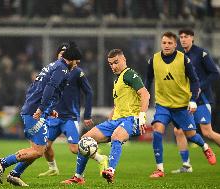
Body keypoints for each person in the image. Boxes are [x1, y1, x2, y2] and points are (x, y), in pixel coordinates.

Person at [0, 42, 82, 186]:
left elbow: (35, 88)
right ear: (70, 59)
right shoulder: (62, 69)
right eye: (76, 62)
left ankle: (15, 174)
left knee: (38, 148)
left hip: (33, 109)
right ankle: (2, 163)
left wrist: (47, 108)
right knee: (39, 151)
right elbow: (49, 88)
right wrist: (40, 109)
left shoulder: (52, 66)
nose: (76, 65)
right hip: (35, 112)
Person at [61, 49, 150, 184]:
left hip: (131, 119)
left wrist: (142, 117)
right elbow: (121, 102)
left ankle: (110, 171)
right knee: (85, 140)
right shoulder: (118, 80)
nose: (113, 66)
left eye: (116, 62)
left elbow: (145, 94)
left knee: (116, 136)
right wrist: (111, 116)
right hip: (116, 120)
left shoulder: (130, 74)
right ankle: (78, 177)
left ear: (123, 59)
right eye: (110, 64)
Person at [146, 31, 216, 178]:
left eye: (170, 43)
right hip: (163, 105)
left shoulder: (183, 59)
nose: (166, 45)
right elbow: (148, 81)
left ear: (175, 45)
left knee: (191, 135)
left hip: (182, 106)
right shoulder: (153, 60)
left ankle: (205, 147)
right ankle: (160, 169)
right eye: (164, 42)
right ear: (161, 43)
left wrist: (192, 101)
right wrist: (145, 97)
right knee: (157, 130)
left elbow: (195, 81)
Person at [38, 43, 98, 177]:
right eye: (62, 52)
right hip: (53, 116)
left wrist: (87, 115)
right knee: (44, 146)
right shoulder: (53, 70)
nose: (64, 55)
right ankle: (53, 168)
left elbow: (89, 92)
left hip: (69, 117)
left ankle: (100, 158)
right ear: (58, 55)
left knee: (74, 149)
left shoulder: (77, 72)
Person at [171, 28, 220, 173]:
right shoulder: (178, 56)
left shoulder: (201, 53)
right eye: (181, 37)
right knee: (178, 130)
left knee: (207, 132)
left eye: (186, 36)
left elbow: (215, 73)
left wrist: (200, 87)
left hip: (202, 99)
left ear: (192, 38)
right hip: (185, 101)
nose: (183, 39)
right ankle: (186, 165)